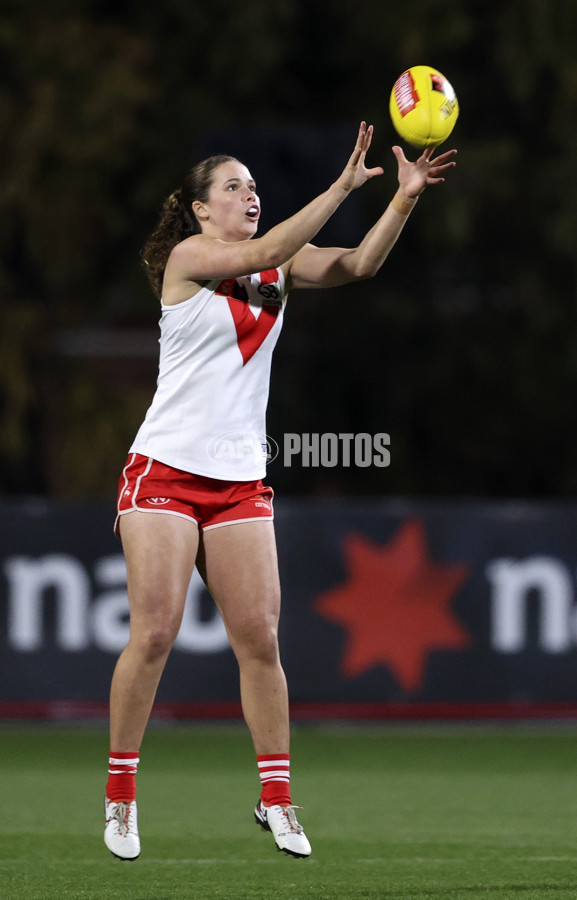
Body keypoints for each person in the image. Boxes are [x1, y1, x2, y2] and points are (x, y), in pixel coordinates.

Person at [103, 122, 457, 861]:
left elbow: (359, 264)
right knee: (157, 631)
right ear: (202, 209)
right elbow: (262, 252)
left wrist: (402, 200)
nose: (250, 194)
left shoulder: (280, 267)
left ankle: (276, 799)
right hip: (164, 469)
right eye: (233, 187)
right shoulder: (190, 257)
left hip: (238, 481)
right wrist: (338, 186)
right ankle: (122, 796)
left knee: (260, 639)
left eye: (255, 186)